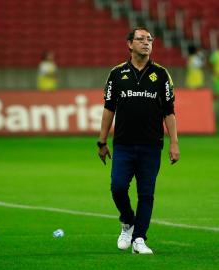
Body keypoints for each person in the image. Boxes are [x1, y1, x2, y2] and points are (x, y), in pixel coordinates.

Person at [97, 27, 180, 254]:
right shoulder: (117, 73)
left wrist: (174, 142)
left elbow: (169, 112)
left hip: (151, 145)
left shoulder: (161, 74)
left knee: (146, 194)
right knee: (118, 187)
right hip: (123, 144)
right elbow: (108, 109)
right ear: (129, 44)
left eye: (150, 39)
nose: (147, 42)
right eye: (141, 39)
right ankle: (127, 221)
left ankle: (139, 239)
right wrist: (102, 141)